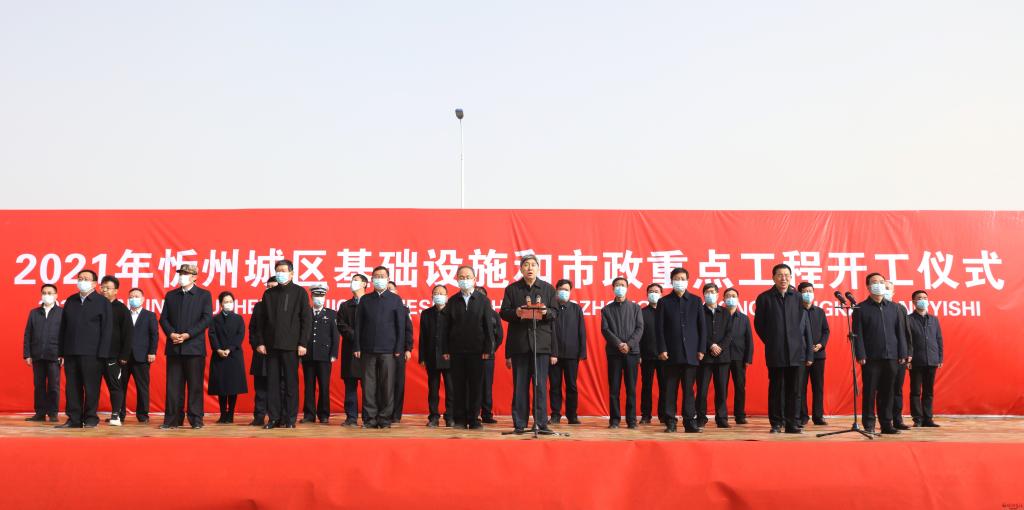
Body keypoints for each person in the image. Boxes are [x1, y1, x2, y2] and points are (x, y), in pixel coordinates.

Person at [500, 254, 559, 434]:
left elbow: (555, 313)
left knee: (540, 386)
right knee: (520, 386)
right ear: (521, 268)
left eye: (533, 265)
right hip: (520, 345)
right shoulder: (512, 289)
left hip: (541, 345)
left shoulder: (548, 289)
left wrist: (546, 312)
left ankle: (541, 423)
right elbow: (504, 312)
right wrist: (516, 312)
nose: (530, 268)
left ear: (538, 268)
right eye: (526, 265)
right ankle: (519, 423)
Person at [753, 264, 814, 434]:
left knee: (794, 390)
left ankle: (792, 423)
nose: (783, 278)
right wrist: (772, 340)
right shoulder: (764, 298)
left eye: (787, 275)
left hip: (796, 351)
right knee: (776, 388)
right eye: (780, 275)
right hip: (776, 350)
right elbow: (759, 325)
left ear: (791, 277)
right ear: (773, 277)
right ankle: (776, 423)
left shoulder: (798, 297)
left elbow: (802, 324)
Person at [255, 259, 312, 429]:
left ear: (291, 273)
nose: (280, 273)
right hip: (271, 346)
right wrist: (260, 342)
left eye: (283, 270)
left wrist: (303, 343)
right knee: (272, 384)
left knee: (290, 383)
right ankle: (274, 418)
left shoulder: (300, 292)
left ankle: (290, 418)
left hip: (291, 346)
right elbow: (261, 321)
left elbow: (306, 320)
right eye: (278, 270)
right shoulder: (269, 294)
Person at [852, 272, 910, 435]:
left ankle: (886, 424)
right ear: (868, 286)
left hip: (892, 356)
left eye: (881, 281)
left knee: (888, 391)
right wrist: (860, 354)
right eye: (874, 282)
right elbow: (858, 334)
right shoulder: (860, 308)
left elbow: (900, 332)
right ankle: (869, 423)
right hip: (870, 358)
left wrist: (902, 353)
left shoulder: (895, 308)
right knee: (870, 391)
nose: (879, 284)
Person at [159, 264, 213, 430]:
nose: (182, 276)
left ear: (195, 277)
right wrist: (171, 333)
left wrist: (188, 334)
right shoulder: (171, 295)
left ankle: (196, 419)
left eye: (186, 273)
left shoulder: (204, 295)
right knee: (173, 386)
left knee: (195, 385)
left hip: (194, 348)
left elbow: (206, 319)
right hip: (174, 347)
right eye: (180, 273)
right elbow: (164, 318)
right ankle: (172, 419)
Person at [56, 269, 111, 429]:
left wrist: (103, 353)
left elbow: (107, 329)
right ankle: (74, 419)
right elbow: (63, 327)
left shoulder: (102, 302)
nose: (82, 281)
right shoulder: (71, 300)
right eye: (80, 278)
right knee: (72, 388)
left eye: (86, 279)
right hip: (71, 351)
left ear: (94, 283)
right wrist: (61, 352)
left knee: (91, 387)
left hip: (93, 353)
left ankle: (91, 418)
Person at [354, 266, 407, 429]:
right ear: (371, 280)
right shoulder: (365, 300)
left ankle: (384, 418)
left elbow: (401, 326)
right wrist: (357, 346)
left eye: (382, 276)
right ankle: (370, 419)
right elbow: (358, 325)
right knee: (368, 386)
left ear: (388, 278)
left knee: (387, 386)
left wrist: (399, 348)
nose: (379, 279)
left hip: (389, 350)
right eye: (376, 276)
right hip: (367, 349)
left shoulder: (395, 300)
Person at [656, 268, 706, 433]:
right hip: (671, 353)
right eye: (677, 278)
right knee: (670, 390)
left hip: (691, 353)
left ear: (687, 281)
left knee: (689, 391)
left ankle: (689, 422)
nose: (680, 281)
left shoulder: (696, 301)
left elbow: (702, 327)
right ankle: (670, 422)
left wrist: (701, 349)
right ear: (672, 281)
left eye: (683, 278)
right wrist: (662, 348)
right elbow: (659, 329)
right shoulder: (664, 302)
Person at [445, 267, 495, 430]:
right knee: (458, 386)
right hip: (457, 351)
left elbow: (488, 327)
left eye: (468, 277)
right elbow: (446, 327)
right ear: (457, 279)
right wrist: (445, 349)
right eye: (461, 277)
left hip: (477, 351)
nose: (464, 280)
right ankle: (459, 419)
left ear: (474, 279)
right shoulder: (452, 301)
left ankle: (474, 419)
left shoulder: (483, 300)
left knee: (476, 386)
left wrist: (488, 349)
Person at [601, 277, 643, 429]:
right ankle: (614, 420)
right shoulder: (606, 310)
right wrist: (619, 344)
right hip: (614, 353)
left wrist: (629, 345)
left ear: (627, 287)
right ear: (613, 288)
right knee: (614, 388)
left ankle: (631, 421)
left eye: (623, 285)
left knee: (631, 388)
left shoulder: (635, 308)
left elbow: (639, 328)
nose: (620, 287)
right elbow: (605, 330)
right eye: (617, 285)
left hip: (632, 353)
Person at [23, 283, 62, 422]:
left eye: (50, 293)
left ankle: (53, 413)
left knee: (53, 386)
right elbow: (28, 334)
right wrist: (27, 354)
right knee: (39, 385)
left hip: (54, 355)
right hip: (37, 354)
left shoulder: (62, 313)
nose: (47, 295)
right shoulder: (34, 313)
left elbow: (65, 335)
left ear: (56, 295)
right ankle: (40, 413)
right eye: (44, 293)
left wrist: (63, 354)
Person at [550, 279, 586, 425]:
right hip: (554, 355)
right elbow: (548, 331)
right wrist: (551, 352)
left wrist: (582, 352)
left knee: (571, 385)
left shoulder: (576, 309)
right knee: (555, 386)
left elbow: (581, 331)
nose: (563, 292)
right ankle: (555, 415)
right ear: (556, 290)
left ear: (570, 292)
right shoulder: (552, 308)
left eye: (566, 289)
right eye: (561, 289)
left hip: (572, 354)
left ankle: (572, 415)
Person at [209, 291, 248, 424]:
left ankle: (230, 414)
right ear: (221, 304)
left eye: (230, 301)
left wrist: (229, 349)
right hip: (219, 355)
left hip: (234, 355)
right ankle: (223, 414)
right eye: (226, 302)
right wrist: (219, 349)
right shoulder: (214, 319)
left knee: (233, 386)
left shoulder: (238, 319)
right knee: (221, 387)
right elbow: (212, 335)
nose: (228, 304)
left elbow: (240, 335)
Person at [302, 283, 339, 424]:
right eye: (316, 295)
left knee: (324, 386)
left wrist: (333, 353)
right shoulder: (305, 312)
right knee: (309, 386)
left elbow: (335, 336)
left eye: (321, 295)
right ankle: (309, 414)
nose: (319, 298)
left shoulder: (331, 314)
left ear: (325, 297)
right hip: (308, 355)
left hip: (325, 356)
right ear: (311, 296)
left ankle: (324, 414)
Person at [697, 283, 732, 428]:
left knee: (722, 390)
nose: (710, 294)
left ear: (718, 294)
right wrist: (711, 345)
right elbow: (698, 332)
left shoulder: (725, 312)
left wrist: (720, 347)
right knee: (702, 390)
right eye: (707, 292)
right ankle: (701, 417)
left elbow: (729, 333)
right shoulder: (699, 311)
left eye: (712, 292)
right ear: (703, 295)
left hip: (722, 358)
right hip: (705, 357)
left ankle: (722, 418)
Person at [98, 276, 132, 426]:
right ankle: (90, 415)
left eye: (108, 288)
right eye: (103, 287)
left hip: (113, 356)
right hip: (95, 355)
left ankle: (116, 415)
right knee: (92, 386)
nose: (104, 290)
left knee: (115, 386)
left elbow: (128, 334)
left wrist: (124, 355)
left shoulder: (121, 309)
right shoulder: (96, 306)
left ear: (116, 291)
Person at [908, 290, 943, 427]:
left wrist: (940, 358)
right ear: (914, 302)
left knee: (929, 392)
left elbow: (938, 339)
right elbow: (907, 340)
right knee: (916, 391)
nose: (922, 300)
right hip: (916, 360)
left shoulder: (934, 319)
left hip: (932, 359)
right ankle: (917, 419)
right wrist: (908, 358)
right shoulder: (908, 319)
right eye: (919, 298)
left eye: (925, 298)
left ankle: (928, 418)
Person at [122, 287, 158, 423]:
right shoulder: (124, 314)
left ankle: (143, 415)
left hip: (142, 356)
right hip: (124, 357)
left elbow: (154, 335)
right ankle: (119, 414)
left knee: (142, 387)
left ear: (143, 299)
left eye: (136, 296)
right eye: (131, 297)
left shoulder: (150, 315)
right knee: (120, 387)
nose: (133, 299)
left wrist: (152, 352)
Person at [420, 284, 452, 427]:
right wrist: (422, 357)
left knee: (451, 389)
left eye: (441, 293)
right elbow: (423, 337)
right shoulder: (426, 314)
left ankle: (450, 416)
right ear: (432, 296)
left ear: (447, 296)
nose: (439, 295)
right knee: (433, 389)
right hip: (431, 356)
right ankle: (433, 417)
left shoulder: (452, 312)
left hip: (449, 357)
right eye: (436, 293)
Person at [337, 274, 367, 426]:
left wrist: (363, 339)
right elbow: (341, 325)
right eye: (352, 280)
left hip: (368, 351)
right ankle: (351, 418)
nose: (353, 283)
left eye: (356, 280)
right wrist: (356, 337)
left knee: (369, 387)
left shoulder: (371, 303)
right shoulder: (345, 306)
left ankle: (369, 418)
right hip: (350, 351)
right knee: (350, 386)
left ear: (364, 284)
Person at [248, 276, 277, 426]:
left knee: (278, 388)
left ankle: (276, 417)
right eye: (268, 287)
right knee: (260, 388)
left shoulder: (284, 305)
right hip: (261, 353)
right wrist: (258, 345)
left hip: (277, 353)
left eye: (274, 287)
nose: (270, 289)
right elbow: (252, 329)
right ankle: (259, 417)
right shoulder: (259, 306)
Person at [884, 280, 914, 430]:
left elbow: (906, 332)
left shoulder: (900, 308)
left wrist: (909, 352)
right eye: (884, 287)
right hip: (884, 356)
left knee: (897, 389)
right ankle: (886, 421)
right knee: (885, 389)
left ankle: (898, 420)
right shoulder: (876, 309)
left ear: (893, 292)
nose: (885, 290)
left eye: (888, 288)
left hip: (900, 356)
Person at [721, 288, 753, 424]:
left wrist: (748, 358)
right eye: (728, 296)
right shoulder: (720, 316)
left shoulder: (744, 318)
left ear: (738, 299)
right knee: (722, 387)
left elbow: (749, 339)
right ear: (723, 299)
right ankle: (721, 416)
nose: (731, 298)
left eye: (733, 296)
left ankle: (740, 415)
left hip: (739, 357)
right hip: (721, 357)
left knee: (740, 387)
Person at [386, 281, 414, 424]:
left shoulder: (403, 309)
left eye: (391, 289)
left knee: (398, 382)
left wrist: (408, 348)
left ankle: (396, 414)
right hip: (383, 350)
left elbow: (408, 330)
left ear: (397, 291)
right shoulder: (378, 306)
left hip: (399, 350)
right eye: (387, 289)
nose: (389, 290)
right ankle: (384, 412)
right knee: (384, 382)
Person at [477, 286, 503, 424]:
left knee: (486, 385)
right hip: (470, 355)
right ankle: (472, 414)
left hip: (488, 356)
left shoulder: (493, 314)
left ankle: (486, 414)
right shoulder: (467, 312)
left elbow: (499, 336)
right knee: (471, 385)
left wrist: (490, 350)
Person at [639, 283, 664, 425]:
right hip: (646, 356)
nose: (653, 294)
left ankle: (664, 415)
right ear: (647, 294)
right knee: (646, 387)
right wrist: (639, 354)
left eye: (656, 291)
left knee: (665, 387)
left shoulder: (666, 312)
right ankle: (645, 415)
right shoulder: (641, 312)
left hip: (664, 356)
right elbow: (638, 335)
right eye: (651, 291)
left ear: (661, 294)